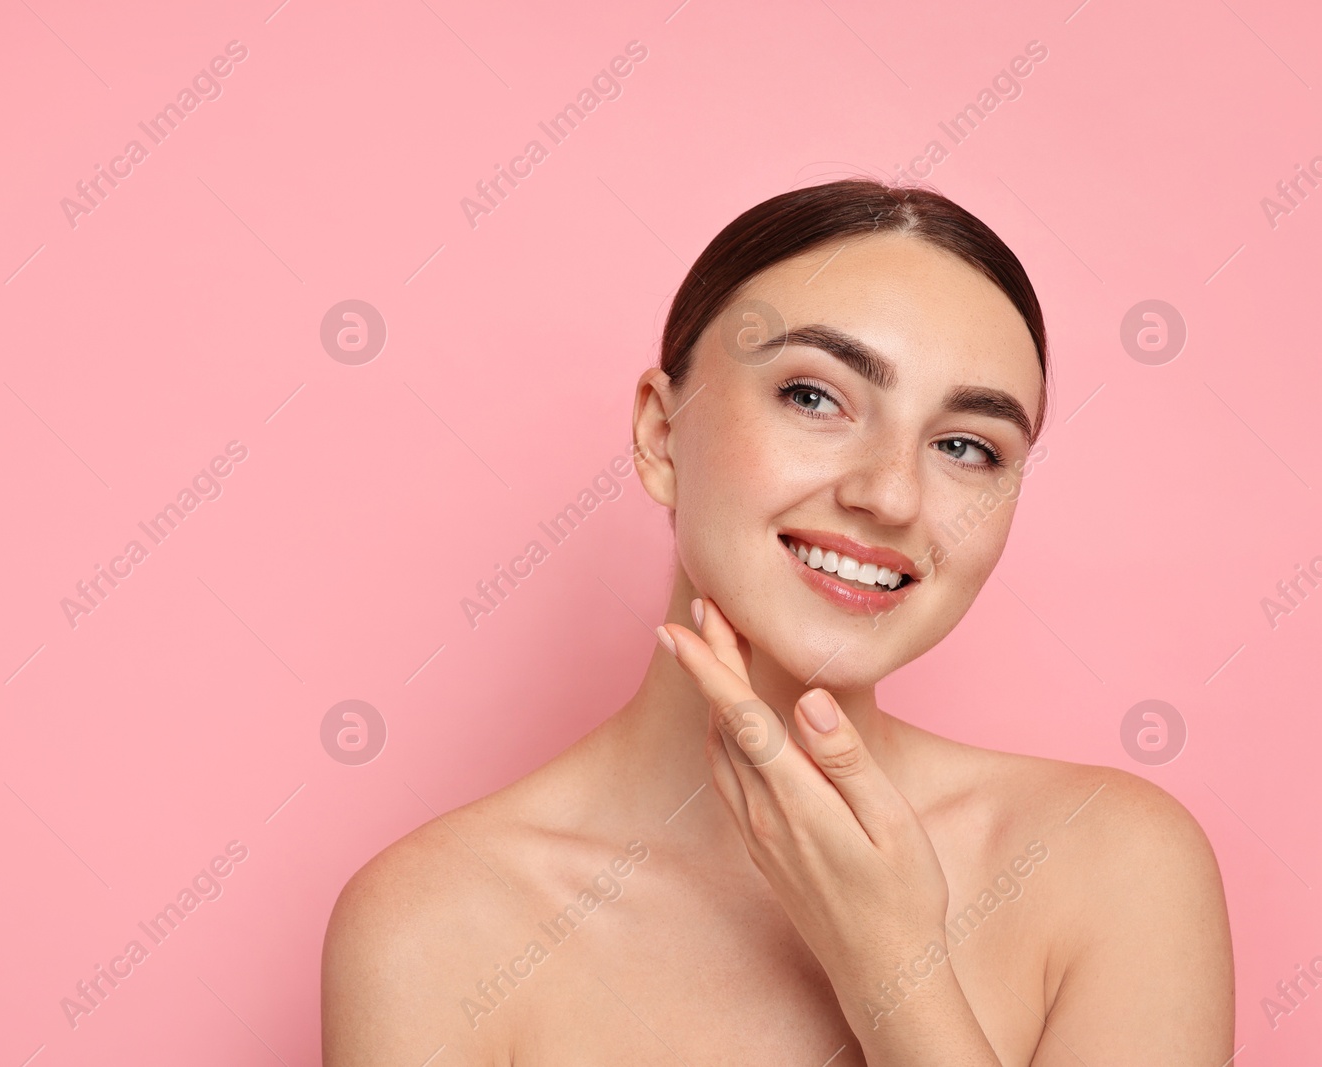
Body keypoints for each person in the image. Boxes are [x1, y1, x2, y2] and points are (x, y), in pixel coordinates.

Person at [321, 179, 1234, 1064]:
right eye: (815, 396)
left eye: (966, 446)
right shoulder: (434, 925)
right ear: (661, 431)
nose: (889, 492)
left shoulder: (1115, 867)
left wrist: (893, 967)